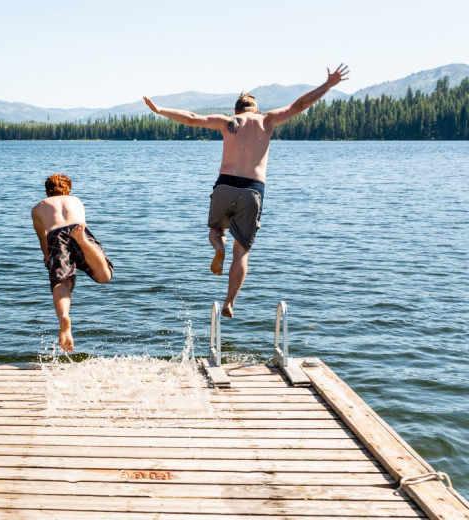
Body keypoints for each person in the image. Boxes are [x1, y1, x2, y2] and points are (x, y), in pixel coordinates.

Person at [144, 65, 349, 318]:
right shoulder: (268, 120)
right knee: (241, 252)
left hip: (225, 186)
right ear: (257, 110)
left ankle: (218, 247)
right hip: (252, 191)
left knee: (215, 230)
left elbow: (191, 117)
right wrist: (328, 85)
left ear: (236, 110)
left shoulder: (228, 122)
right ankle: (229, 302)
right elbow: (300, 105)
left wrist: (160, 110)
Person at [31, 174, 114, 352]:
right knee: (104, 276)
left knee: (62, 282)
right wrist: (78, 239)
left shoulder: (38, 208)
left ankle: (64, 317)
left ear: (47, 192)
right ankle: (83, 241)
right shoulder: (76, 201)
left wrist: (47, 256)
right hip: (79, 228)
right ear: (68, 190)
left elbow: (42, 238)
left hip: (55, 234)